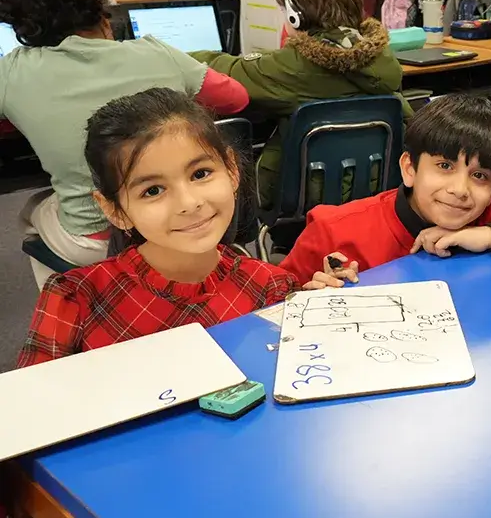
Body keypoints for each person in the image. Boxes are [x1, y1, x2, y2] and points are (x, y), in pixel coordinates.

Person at [15, 89, 342, 367]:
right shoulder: (75, 299)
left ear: (231, 170)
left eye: (200, 174)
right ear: (115, 211)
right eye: (152, 191)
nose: (188, 203)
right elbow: (32, 412)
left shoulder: (271, 288)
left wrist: (315, 316)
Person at [0, 0, 248, 289]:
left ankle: (69, 302)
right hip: (180, 222)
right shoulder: (156, 51)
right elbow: (236, 98)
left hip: (95, 238)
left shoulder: (12, 71)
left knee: (33, 210)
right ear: (105, 19)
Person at [189, 0, 405, 212]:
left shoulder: (289, 67)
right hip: (377, 193)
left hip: (303, 198)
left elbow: (225, 69)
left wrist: (169, 56)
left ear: (295, 16)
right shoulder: (381, 61)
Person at [281, 95, 491, 286]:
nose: (460, 189)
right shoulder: (334, 231)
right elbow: (272, 303)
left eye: (479, 176)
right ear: (409, 169)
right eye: (444, 166)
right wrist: (308, 296)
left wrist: (488, 234)